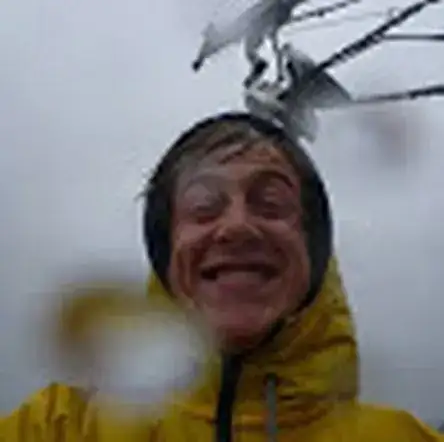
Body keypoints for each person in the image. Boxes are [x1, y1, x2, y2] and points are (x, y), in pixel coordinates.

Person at [1, 112, 442, 441]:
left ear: (314, 252)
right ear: (166, 253)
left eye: (271, 204)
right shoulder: (59, 430)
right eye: (203, 208)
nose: (236, 227)